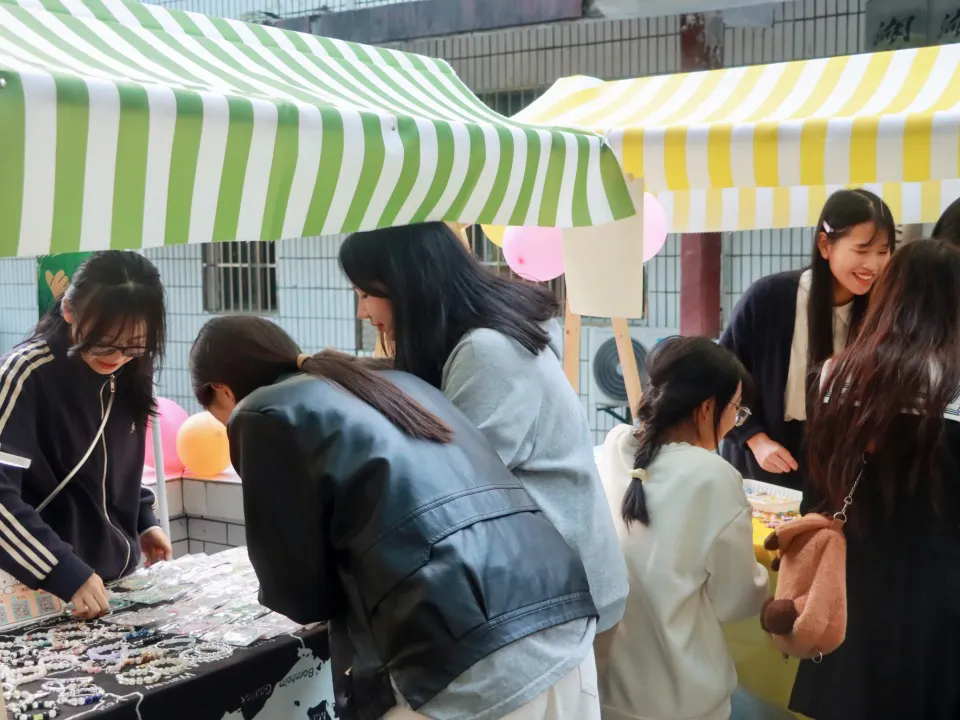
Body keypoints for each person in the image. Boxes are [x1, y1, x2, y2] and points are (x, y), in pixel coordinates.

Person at [189, 315, 602, 720]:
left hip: (467, 664)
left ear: (220, 390)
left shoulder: (260, 413)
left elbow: (300, 596)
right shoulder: (392, 380)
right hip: (563, 623)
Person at [339, 222, 628, 635]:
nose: (363, 313)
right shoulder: (479, 337)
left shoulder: (486, 352)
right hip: (555, 579)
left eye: (366, 295)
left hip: (562, 594)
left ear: (407, 284)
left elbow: (455, 490)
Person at [790, 239, 960, 720]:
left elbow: (817, 493)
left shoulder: (835, 374)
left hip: (849, 591)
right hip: (939, 598)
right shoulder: (954, 384)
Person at [595, 337, 772, 720]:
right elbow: (735, 602)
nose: (734, 422)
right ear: (707, 407)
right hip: (683, 703)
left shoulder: (614, 448)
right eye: (736, 410)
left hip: (602, 694)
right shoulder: (714, 477)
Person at [0, 251, 171, 619]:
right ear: (69, 311)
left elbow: (116, 460)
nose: (117, 356)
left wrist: (143, 517)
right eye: (104, 342)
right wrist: (65, 571)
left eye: (135, 344)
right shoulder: (24, 374)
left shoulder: (131, 369)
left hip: (113, 582)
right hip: (40, 587)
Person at [720, 189, 895, 490]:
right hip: (764, 457)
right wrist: (754, 438)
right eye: (862, 250)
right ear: (825, 245)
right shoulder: (768, 299)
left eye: (883, 251)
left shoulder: (883, 312)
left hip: (838, 466)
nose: (874, 265)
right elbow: (721, 375)